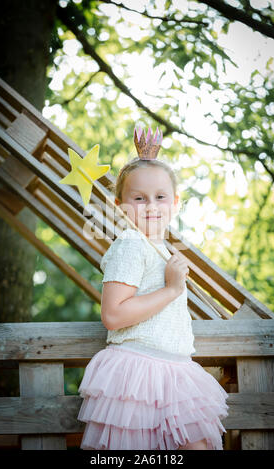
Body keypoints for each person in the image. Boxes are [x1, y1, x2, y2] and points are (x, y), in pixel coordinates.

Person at [77, 127, 229, 450]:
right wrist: (172, 290)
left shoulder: (158, 249)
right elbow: (113, 314)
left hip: (175, 373)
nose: (150, 206)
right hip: (137, 372)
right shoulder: (131, 244)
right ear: (121, 206)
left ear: (175, 203)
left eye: (160, 197)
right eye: (139, 198)